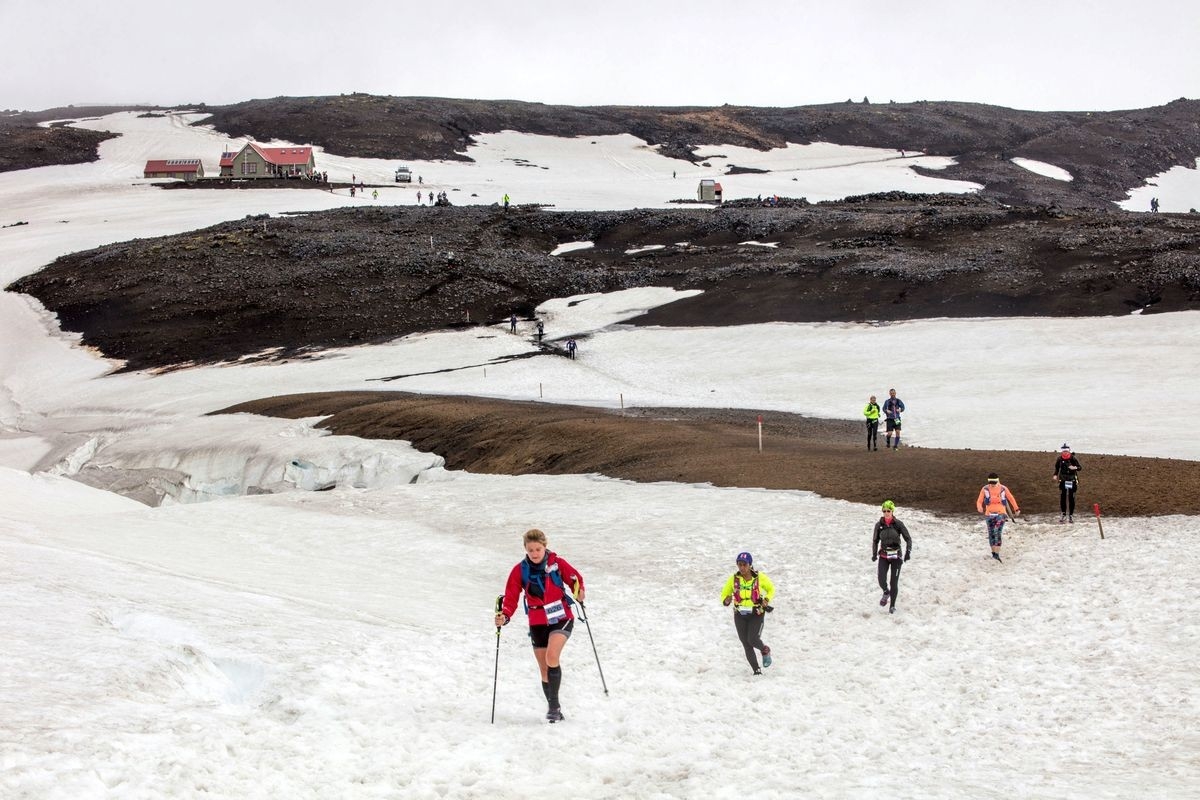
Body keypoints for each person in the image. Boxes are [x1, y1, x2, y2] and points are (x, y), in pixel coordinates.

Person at [495, 528, 585, 723]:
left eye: (538, 549)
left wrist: (579, 592)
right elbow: (511, 598)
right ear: (525, 550)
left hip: (562, 616)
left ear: (545, 547)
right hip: (537, 620)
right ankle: (555, 707)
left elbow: (575, 579)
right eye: (530, 550)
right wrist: (505, 616)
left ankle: (553, 708)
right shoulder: (519, 570)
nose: (534, 554)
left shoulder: (557, 563)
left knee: (552, 656)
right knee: (544, 668)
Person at [719, 552, 775, 675]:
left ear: (750, 565)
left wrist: (766, 599)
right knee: (745, 642)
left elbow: (771, 589)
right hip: (739, 615)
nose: (742, 567)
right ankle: (756, 670)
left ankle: (765, 650)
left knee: (753, 639)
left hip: (756, 613)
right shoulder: (733, 579)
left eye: (745, 564)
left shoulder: (759, 577)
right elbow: (724, 593)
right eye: (740, 565)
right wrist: (726, 600)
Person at [872, 500, 912, 614]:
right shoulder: (879, 525)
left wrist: (908, 551)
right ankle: (886, 591)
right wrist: (874, 554)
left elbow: (908, 538)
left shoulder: (898, 524)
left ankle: (892, 606)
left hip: (896, 557)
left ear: (892, 511)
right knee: (881, 579)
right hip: (884, 555)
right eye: (884, 511)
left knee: (893, 582)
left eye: (888, 510)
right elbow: (875, 540)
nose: (886, 513)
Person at [976, 473, 1020, 561]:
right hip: (989, 514)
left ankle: (997, 553)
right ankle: (994, 553)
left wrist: (1016, 508)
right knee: (991, 533)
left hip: (1001, 514)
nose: (993, 484)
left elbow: (1011, 498)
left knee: (997, 531)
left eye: (994, 482)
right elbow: (979, 500)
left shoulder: (1003, 489)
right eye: (991, 482)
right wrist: (979, 507)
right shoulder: (985, 489)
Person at [1053, 443, 1082, 523]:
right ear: (1062, 451)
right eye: (1063, 451)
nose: (1065, 452)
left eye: (1066, 451)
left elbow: (1080, 467)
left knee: (1071, 497)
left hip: (1072, 480)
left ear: (1069, 451)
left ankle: (1071, 515)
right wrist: (1055, 475)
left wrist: (1074, 467)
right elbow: (1057, 468)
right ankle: (1063, 514)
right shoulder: (1059, 459)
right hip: (1063, 480)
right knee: (1063, 497)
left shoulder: (1073, 458)